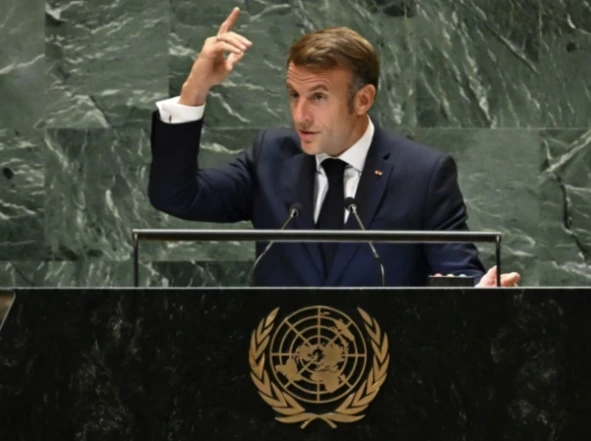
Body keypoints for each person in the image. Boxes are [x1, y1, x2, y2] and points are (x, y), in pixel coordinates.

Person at [148, 7, 521, 288]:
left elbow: (456, 272)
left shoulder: (422, 174)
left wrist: (478, 291)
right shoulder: (272, 157)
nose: (300, 114)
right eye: (294, 95)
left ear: (363, 99)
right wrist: (194, 90)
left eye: (318, 96)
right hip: (278, 370)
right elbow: (176, 196)